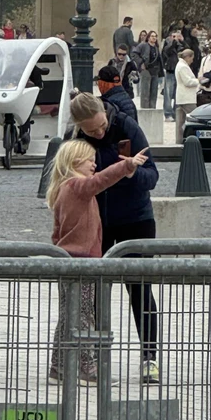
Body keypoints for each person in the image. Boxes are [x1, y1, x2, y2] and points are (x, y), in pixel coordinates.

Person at [69, 91, 160, 382]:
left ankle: (149, 356)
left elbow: (152, 176)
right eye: (91, 131)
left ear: (105, 115)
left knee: (140, 288)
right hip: (98, 221)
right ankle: (95, 356)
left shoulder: (126, 126)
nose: (99, 133)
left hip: (136, 218)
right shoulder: (75, 139)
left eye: (102, 126)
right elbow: (66, 179)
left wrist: (132, 173)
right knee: (94, 290)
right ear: (79, 127)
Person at [47, 136, 145, 382]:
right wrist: (127, 165)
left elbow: (56, 232)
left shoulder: (62, 189)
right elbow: (101, 180)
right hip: (83, 261)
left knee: (68, 315)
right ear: (74, 161)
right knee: (83, 315)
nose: (94, 164)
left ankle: (59, 366)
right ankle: (86, 366)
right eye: (89, 160)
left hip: (67, 259)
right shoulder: (78, 187)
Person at [174, 49, 200, 136]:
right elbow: (187, 82)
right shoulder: (183, 67)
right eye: (192, 58)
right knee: (195, 117)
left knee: (180, 122)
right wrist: (198, 81)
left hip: (182, 97)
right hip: (187, 98)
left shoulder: (180, 65)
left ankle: (179, 140)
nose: (192, 61)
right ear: (188, 57)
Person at [134, 30, 162, 110]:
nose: (154, 38)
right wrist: (141, 63)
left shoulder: (156, 47)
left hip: (155, 71)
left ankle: (152, 109)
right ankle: (145, 110)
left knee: (154, 93)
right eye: (152, 36)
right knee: (145, 92)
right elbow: (134, 53)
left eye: (155, 36)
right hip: (146, 70)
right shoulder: (143, 45)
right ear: (148, 37)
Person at [161, 30, 182, 120]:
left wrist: (182, 41)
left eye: (176, 36)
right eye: (173, 36)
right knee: (168, 93)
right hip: (170, 70)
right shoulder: (167, 44)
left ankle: (176, 113)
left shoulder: (180, 44)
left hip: (180, 71)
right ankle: (168, 113)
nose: (175, 38)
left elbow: (187, 51)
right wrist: (173, 42)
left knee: (178, 93)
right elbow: (166, 52)